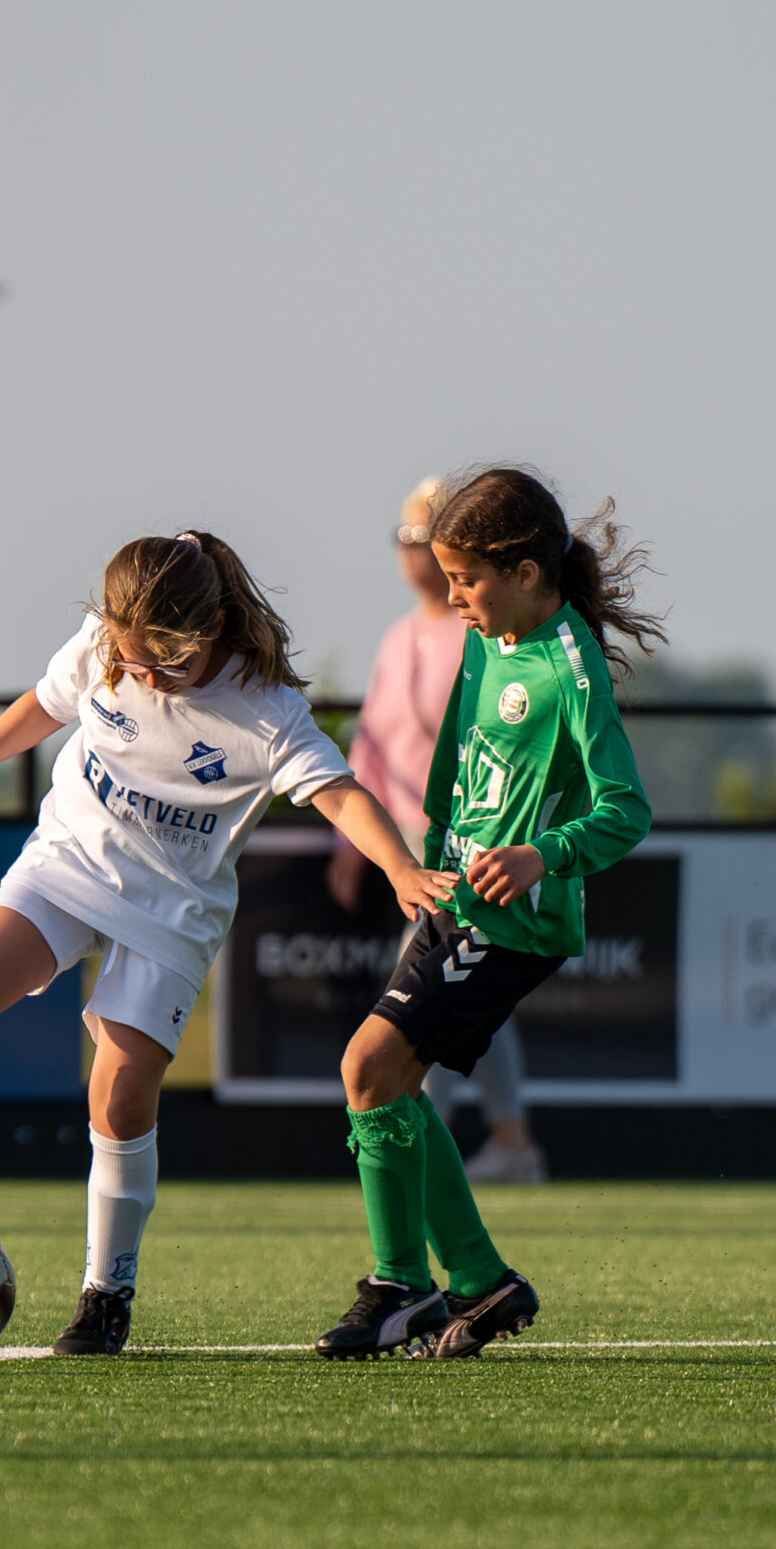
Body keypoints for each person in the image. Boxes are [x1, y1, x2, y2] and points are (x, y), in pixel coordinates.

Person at [0, 531, 450, 1357]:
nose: (145, 675)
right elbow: (42, 706)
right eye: (131, 657)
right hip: (69, 861)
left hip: (173, 910)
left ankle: (105, 1294)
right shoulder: (102, 644)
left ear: (212, 628)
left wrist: (401, 866)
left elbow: (341, 793)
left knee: (117, 1096)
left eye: (166, 663)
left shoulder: (265, 711)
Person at [318, 467, 659, 1361]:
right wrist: (427, 861)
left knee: (367, 1066)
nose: (454, 597)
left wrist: (543, 852)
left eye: (467, 579)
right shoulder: (489, 638)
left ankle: (401, 1285)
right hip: (456, 896)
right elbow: (455, 764)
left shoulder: (571, 666)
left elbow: (627, 809)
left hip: (514, 917)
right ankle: (476, 1279)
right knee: (386, 1081)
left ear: (526, 571)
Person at [329, 478, 547, 1184]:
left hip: (465, 846)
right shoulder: (399, 636)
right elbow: (372, 741)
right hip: (404, 842)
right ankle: (508, 1139)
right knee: (452, 999)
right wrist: (351, 844)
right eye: (401, 537)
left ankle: (430, 1137)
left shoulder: (483, 629)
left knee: (424, 1003)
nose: (408, 551)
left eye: (420, 537)